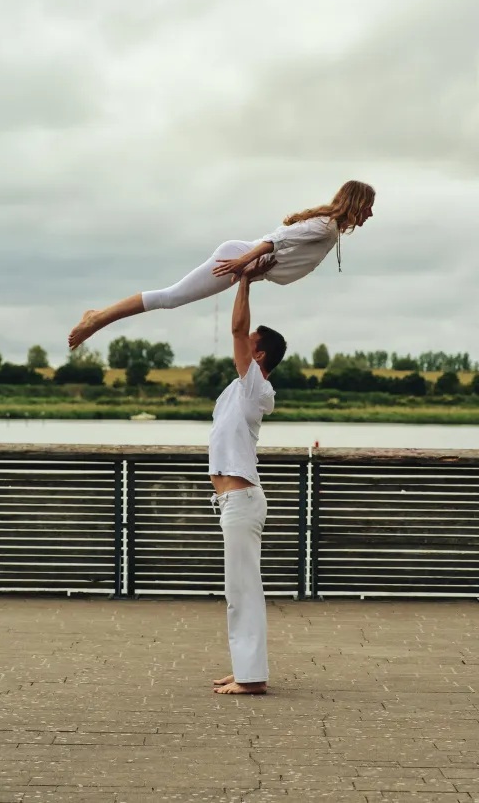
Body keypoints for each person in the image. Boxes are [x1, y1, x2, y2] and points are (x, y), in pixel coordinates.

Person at [68, 179, 375, 350]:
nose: (370, 215)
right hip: (239, 257)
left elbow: (280, 251)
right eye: (369, 207)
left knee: (172, 297)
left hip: (246, 263)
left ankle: (98, 317)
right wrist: (241, 264)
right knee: (171, 297)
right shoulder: (325, 227)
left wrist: (250, 274)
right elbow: (276, 239)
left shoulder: (328, 229)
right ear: (358, 204)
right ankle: (97, 318)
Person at [210, 255, 286, 695]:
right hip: (233, 503)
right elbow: (241, 335)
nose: (240, 345)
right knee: (237, 590)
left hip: (241, 503)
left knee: (243, 591)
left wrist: (244, 281)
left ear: (258, 356)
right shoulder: (239, 390)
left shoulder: (257, 386)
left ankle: (252, 678)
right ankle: (244, 667)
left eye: (248, 344)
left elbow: (239, 330)